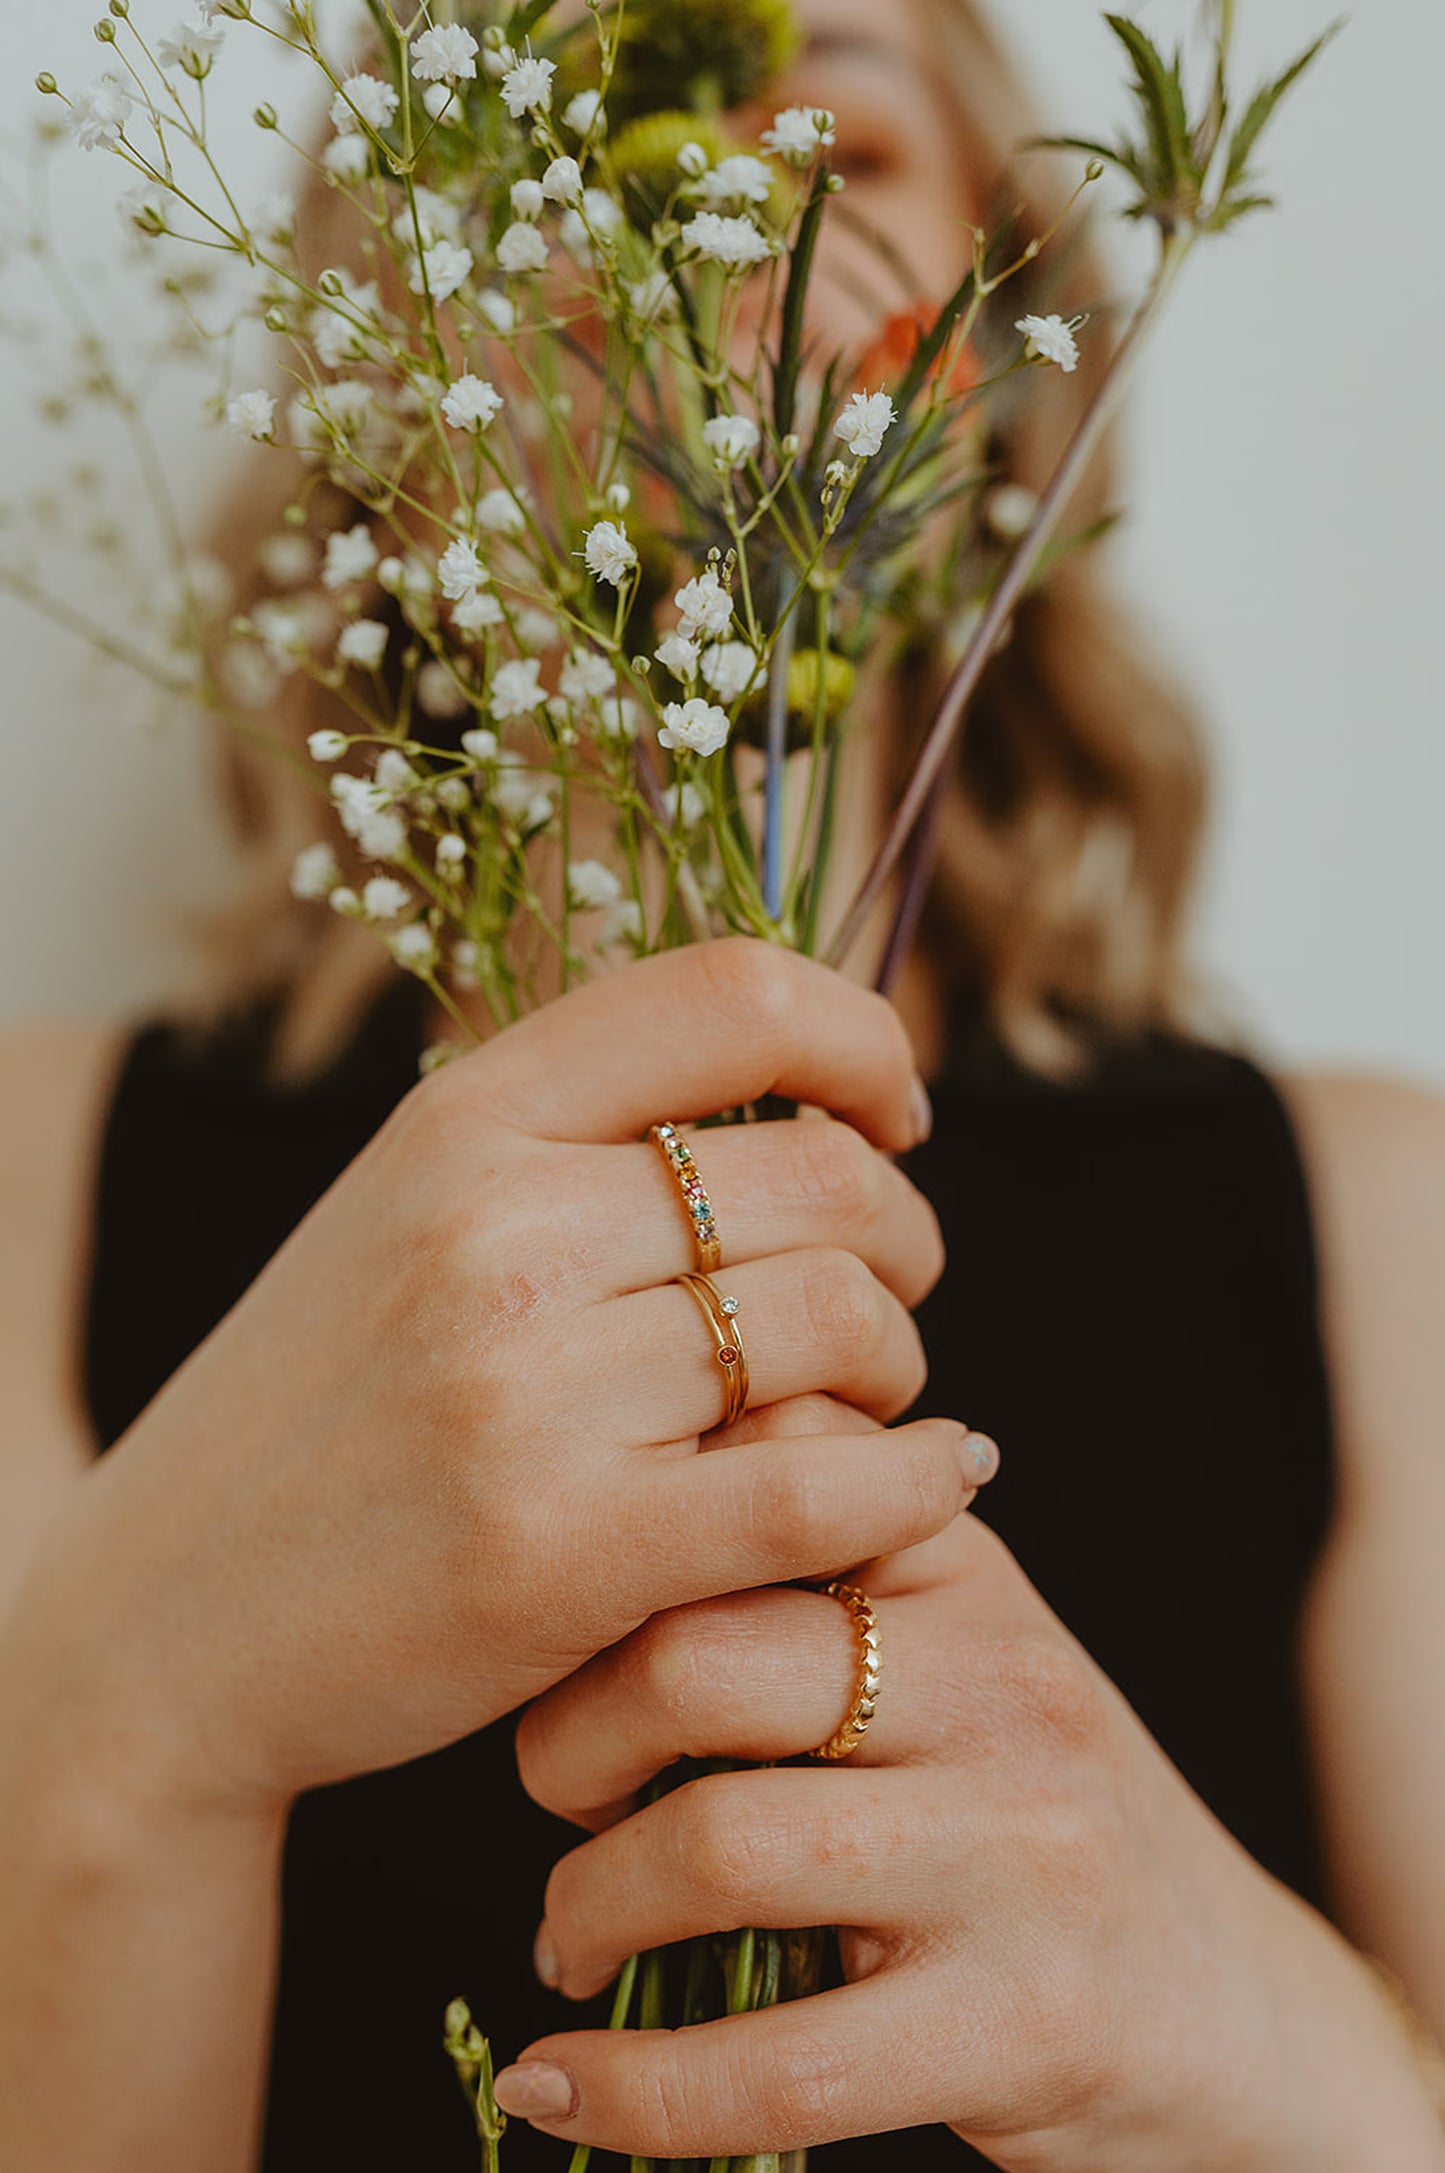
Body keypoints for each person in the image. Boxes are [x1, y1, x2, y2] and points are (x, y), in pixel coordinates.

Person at [1, 0, 1444, 2168]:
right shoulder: (39, 1179)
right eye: (578, 145)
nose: (703, 208)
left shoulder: (1367, 1214)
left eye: (836, 142)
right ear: (385, 384)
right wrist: (127, 1709)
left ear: (1010, 376)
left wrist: (1258, 2020)